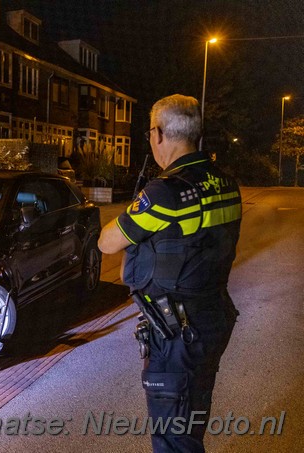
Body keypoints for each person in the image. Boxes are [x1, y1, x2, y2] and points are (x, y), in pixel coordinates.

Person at [98, 94, 242, 452]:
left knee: (172, 435)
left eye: (149, 132)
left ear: (159, 134)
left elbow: (108, 242)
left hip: (179, 330)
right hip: (212, 316)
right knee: (192, 413)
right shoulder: (226, 182)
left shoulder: (165, 193)